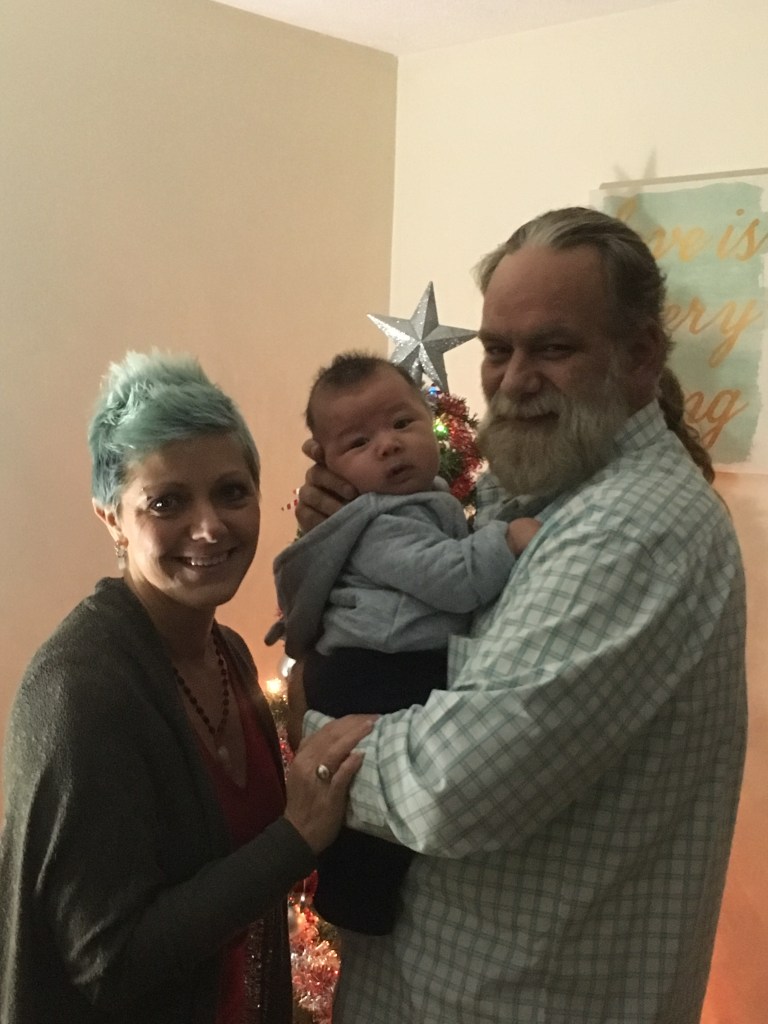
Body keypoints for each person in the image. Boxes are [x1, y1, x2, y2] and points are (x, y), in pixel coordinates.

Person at [292, 207, 748, 1024]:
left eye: (554, 348)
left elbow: (451, 786)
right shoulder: (546, 489)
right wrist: (351, 535)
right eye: (498, 349)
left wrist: (307, 724)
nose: (513, 379)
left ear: (642, 354)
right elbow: (453, 615)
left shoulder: (632, 530)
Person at [0, 350, 374, 1024]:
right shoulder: (80, 692)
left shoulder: (228, 654)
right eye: (167, 502)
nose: (209, 527)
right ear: (111, 517)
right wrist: (295, 839)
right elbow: (111, 964)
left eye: (231, 492)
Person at [271, 351, 539, 934]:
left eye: (401, 423)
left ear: (429, 419)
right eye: (359, 442)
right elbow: (452, 578)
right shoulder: (377, 523)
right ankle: (352, 906)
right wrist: (505, 540)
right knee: (362, 822)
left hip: (387, 660)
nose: (388, 445)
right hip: (371, 671)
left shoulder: (424, 499)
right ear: (328, 469)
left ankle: (361, 899)